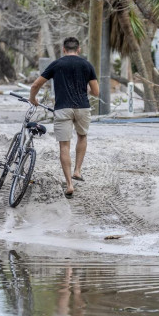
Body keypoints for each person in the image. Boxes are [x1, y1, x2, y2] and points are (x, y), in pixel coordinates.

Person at [28, 37, 99, 198]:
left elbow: (35, 85)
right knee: (82, 136)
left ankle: (69, 184)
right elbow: (96, 92)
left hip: (62, 108)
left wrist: (33, 99)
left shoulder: (56, 64)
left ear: (63, 50)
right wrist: (83, 90)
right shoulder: (87, 65)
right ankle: (78, 170)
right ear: (78, 49)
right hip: (82, 107)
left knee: (64, 146)